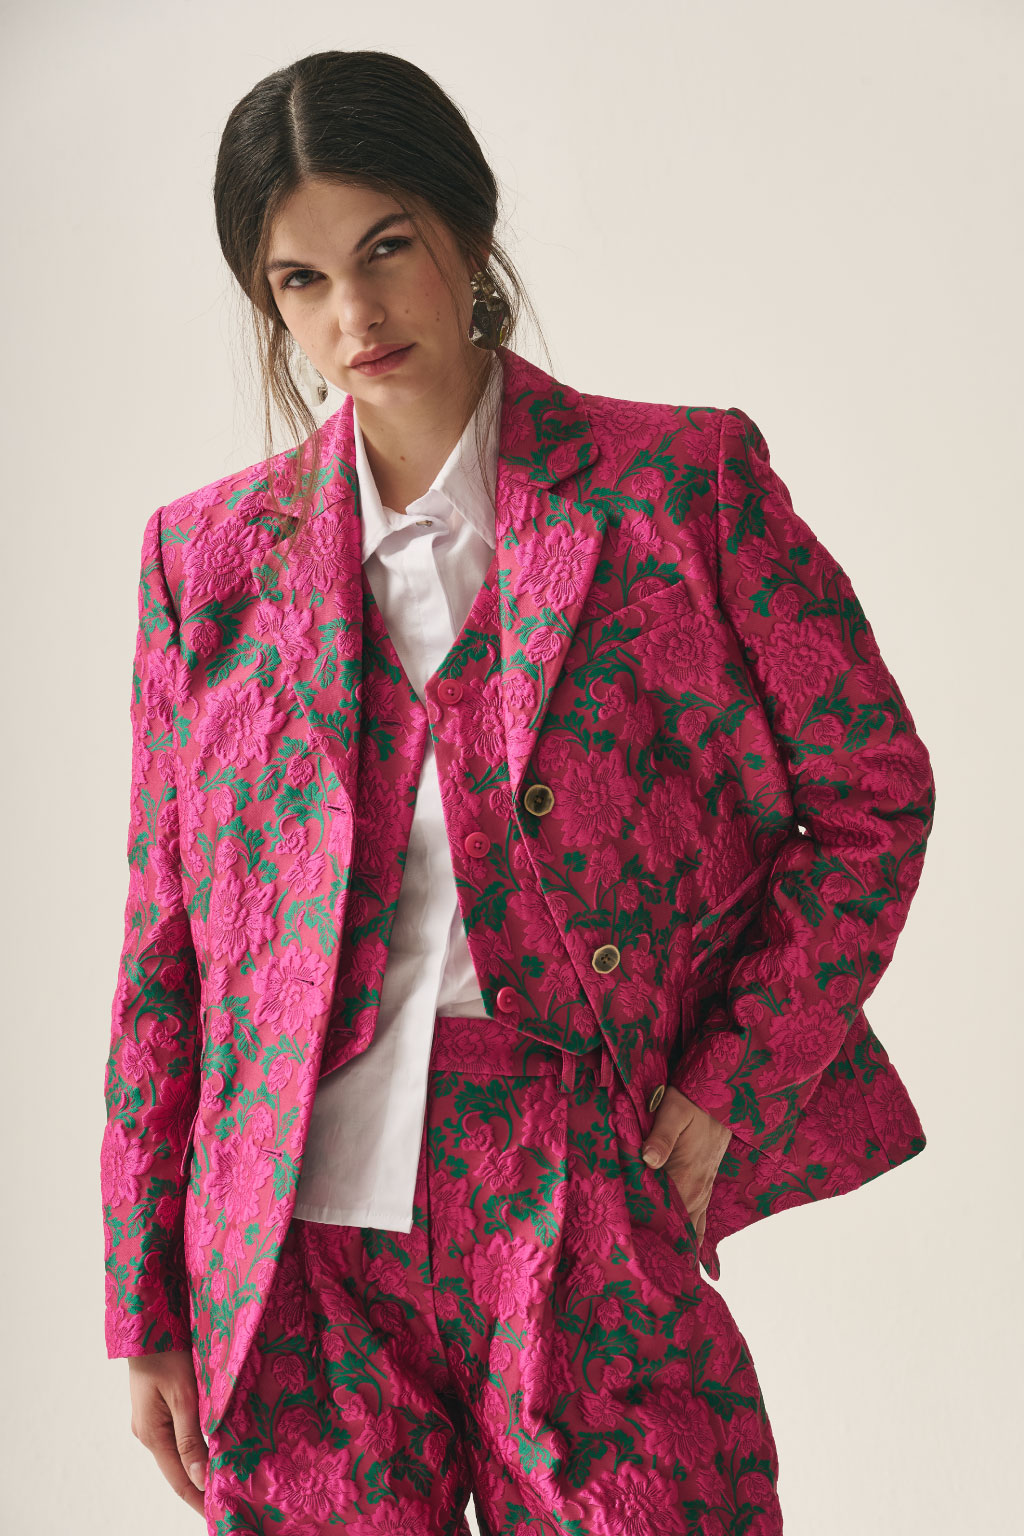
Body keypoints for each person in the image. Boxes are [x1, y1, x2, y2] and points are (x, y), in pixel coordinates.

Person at [100, 48, 936, 1536]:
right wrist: (145, 1298)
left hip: (582, 1189)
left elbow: (873, 797)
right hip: (294, 1248)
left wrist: (729, 1081)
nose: (352, 317)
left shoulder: (679, 488)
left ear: (468, 230)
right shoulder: (205, 563)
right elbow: (166, 946)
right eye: (300, 281)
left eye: (386, 249)